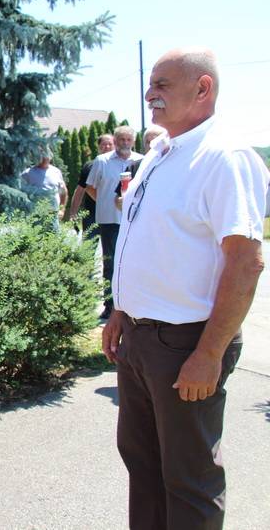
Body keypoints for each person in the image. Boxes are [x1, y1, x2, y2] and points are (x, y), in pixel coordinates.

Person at [103, 47, 268, 530]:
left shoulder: (224, 157)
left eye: (162, 84)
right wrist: (120, 311)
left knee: (189, 478)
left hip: (186, 343)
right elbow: (147, 241)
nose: (149, 94)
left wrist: (209, 353)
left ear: (202, 88)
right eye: (150, 84)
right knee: (144, 464)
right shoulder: (162, 152)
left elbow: (246, 263)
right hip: (140, 337)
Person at [86, 126, 142, 319]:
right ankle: (110, 306)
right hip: (109, 220)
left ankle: (131, 305)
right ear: (115, 141)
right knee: (110, 264)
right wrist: (104, 202)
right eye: (121, 139)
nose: (125, 143)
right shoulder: (102, 161)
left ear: (133, 141)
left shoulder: (141, 160)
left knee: (132, 262)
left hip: (134, 220)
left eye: (128, 139)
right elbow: (90, 187)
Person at [65, 133, 115, 234]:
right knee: (89, 243)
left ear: (115, 146)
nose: (107, 147)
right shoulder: (89, 166)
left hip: (113, 215)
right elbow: (80, 191)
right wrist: (73, 213)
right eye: (104, 144)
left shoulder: (120, 166)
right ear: (98, 147)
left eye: (110, 144)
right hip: (92, 214)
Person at [115, 126, 165, 211]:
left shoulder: (173, 166)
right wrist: (120, 202)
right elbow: (118, 197)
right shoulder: (134, 167)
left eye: (156, 141)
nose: (151, 146)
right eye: (148, 142)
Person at [20, 151, 67, 218]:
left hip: (54, 215)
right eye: (41, 155)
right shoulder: (27, 173)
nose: (44, 157)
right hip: (34, 216)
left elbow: (63, 192)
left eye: (46, 155)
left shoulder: (56, 172)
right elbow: (20, 194)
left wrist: (62, 210)